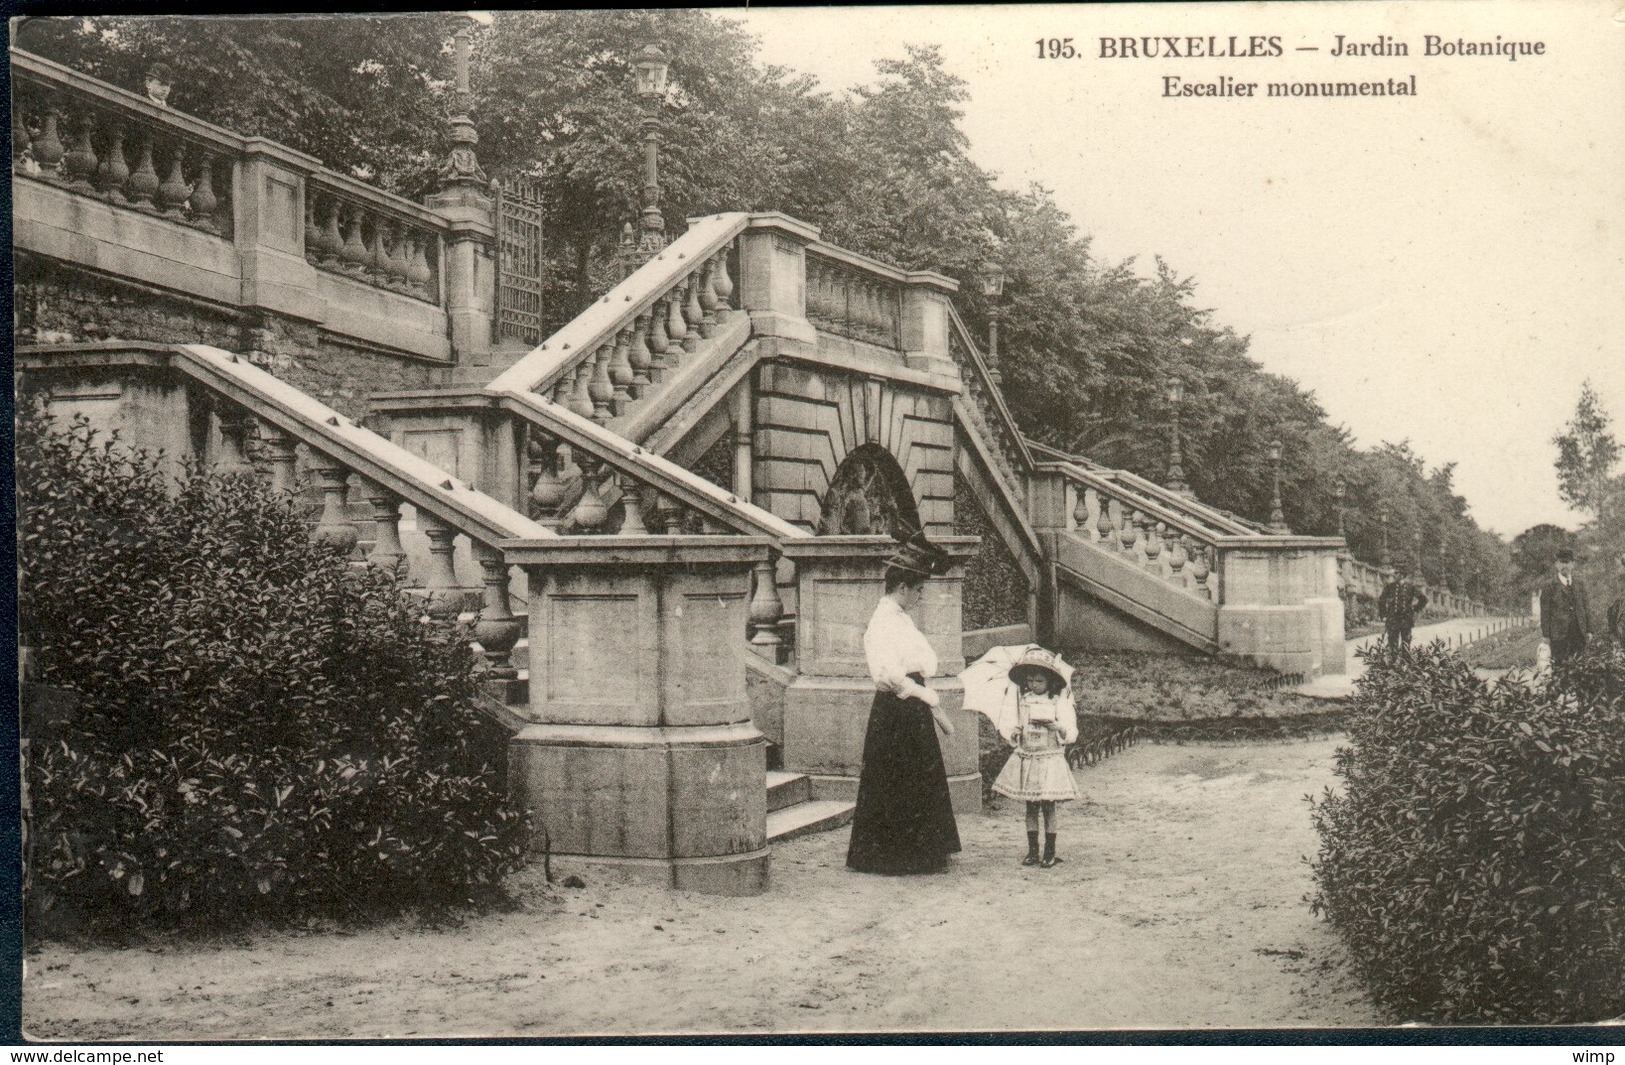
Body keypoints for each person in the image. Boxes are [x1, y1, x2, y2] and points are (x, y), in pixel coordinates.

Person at [846, 531, 962, 876]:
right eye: (918, 590)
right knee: (897, 779)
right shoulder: (882, 621)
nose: (920, 597)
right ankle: (895, 857)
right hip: (897, 708)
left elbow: (921, 659)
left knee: (915, 778)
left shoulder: (901, 618)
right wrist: (926, 695)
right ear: (903, 588)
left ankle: (921, 852)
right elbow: (888, 673)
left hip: (910, 707)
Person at [991, 648, 1079, 869]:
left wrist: (1057, 726)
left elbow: (1071, 731)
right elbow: (1011, 725)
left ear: (1050, 682)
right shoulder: (1023, 701)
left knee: (1048, 805)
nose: (1034, 685)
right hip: (1029, 757)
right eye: (1030, 681)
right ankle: (1032, 851)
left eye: (1039, 681)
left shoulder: (1059, 702)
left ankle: (1050, 852)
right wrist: (1015, 733)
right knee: (1031, 805)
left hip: (1049, 758)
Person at [1541, 548, 1592, 665]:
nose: (1565, 565)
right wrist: (1546, 635)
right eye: (1562, 562)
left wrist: (1589, 630)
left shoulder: (1580, 583)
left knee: (1580, 666)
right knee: (1560, 667)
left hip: (1578, 633)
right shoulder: (1549, 586)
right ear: (1557, 565)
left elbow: (1586, 607)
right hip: (1558, 635)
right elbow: (1545, 613)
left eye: (1568, 562)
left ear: (1572, 564)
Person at [1378, 568, 1429, 648]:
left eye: (1396, 573)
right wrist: (1383, 615)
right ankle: (1393, 660)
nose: (1394, 575)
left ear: (1402, 575)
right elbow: (1381, 600)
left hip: (1406, 619)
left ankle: (1405, 660)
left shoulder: (1410, 587)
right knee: (1392, 646)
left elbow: (1424, 599)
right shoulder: (1389, 587)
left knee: (1406, 646)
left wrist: (1414, 609)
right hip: (1393, 619)